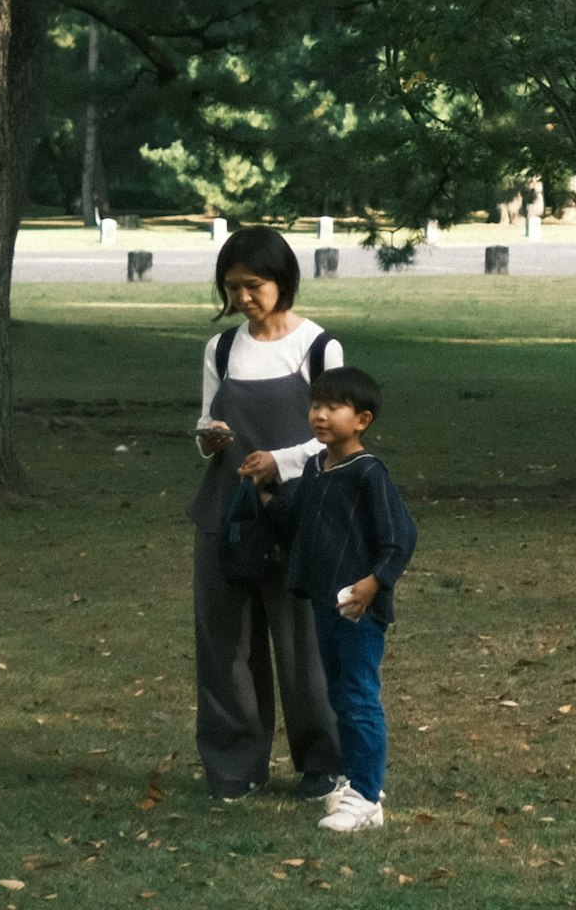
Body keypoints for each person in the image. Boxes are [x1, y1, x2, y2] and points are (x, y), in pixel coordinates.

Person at [190, 226, 345, 801]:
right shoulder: (222, 348)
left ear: (283, 281)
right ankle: (234, 764)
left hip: (298, 510)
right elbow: (206, 421)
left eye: (253, 286)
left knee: (303, 643)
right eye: (232, 289)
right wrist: (209, 438)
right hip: (226, 510)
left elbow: (335, 433)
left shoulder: (319, 347)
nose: (243, 300)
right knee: (225, 643)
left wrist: (277, 461)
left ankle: (324, 763)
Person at [278, 364, 417, 833]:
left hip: (357, 607)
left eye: (333, 407)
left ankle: (367, 797)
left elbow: (401, 537)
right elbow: (293, 518)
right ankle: (355, 781)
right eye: (315, 405)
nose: (319, 415)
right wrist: (260, 486)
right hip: (324, 603)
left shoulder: (368, 472)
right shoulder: (317, 469)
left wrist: (374, 583)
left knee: (358, 696)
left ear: (362, 419)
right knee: (339, 695)